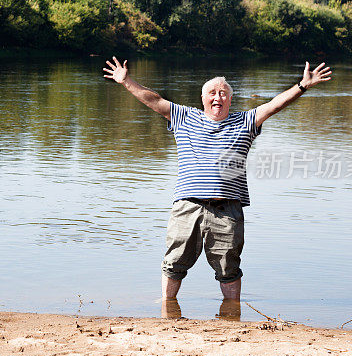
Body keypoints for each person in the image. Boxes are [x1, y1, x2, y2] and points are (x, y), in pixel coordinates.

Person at [102, 57, 332, 305]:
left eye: (223, 94)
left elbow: (274, 105)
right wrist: (126, 81)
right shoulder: (184, 117)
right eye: (212, 93)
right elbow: (154, 100)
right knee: (174, 262)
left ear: (230, 100)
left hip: (227, 210)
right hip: (187, 207)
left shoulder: (245, 122)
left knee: (228, 268)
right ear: (203, 99)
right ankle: (167, 310)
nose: (217, 98)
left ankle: (232, 315)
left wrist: (302, 86)